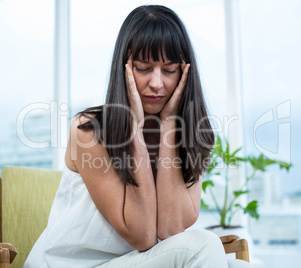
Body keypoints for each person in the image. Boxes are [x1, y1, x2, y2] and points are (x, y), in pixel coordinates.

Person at [24, 5, 251, 268]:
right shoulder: (88, 131)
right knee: (205, 246)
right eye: (144, 68)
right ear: (124, 69)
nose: (157, 83)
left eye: (169, 70)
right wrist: (134, 130)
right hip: (73, 264)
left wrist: (168, 125)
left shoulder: (192, 134)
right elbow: (143, 236)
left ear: (185, 72)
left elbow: (170, 229)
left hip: (136, 262)